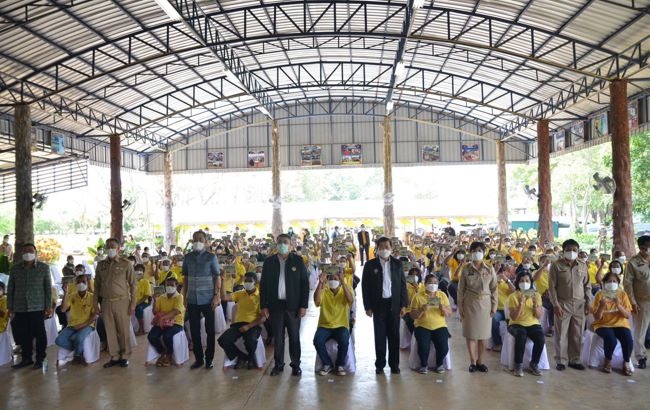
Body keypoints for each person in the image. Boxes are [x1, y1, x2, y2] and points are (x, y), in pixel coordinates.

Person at [260, 234, 309, 376]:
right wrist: (264, 305)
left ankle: (295, 365)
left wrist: (303, 305)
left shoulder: (298, 261)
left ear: (291, 245)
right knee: (278, 338)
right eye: (280, 242)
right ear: (276, 245)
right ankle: (278, 364)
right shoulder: (269, 262)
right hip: (275, 306)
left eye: (285, 242)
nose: (282, 244)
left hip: (293, 306)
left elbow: (305, 285)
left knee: (294, 337)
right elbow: (263, 285)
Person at [361, 237, 408, 375]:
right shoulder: (370, 265)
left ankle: (394, 365)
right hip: (378, 305)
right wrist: (367, 307)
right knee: (380, 337)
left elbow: (403, 285)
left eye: (386, 247)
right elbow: (365, 287)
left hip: (394, 304)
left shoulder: (398, 264)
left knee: (394, 337)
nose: (384, 249)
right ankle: (380, 365)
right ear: (377, 249)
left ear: (391, 248)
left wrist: (403, 305)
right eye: (381, 247)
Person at [7, 243, 52, 369]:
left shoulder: (43, 268)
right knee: (23, 334)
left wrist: (48, 306)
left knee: (40, 334)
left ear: (35, 253)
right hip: (20, 307)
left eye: (31, 251)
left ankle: (40, 358)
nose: (28, 253)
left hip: (37, 307)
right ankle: (26, 358)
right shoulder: (15, 269)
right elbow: (11, 288)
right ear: (21, 254)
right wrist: (10, 306)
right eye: (25, 251)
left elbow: (48, 288)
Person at [94, 238, 136, 368]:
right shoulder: (101, 265)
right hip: (106, 302)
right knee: (110, 330)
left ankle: (124, 355)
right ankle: (114, 356)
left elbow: (133, 285)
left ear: (118, 248)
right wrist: (95, 304)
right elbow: (96, 287)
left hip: (122, 301)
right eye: (108, 246)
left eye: (113, 246)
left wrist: (132, 304)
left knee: (123, 329)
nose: (110, 249)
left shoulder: (126, 263)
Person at [548, 239, 590, 371]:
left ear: (578, 251)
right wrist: (555, 304)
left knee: (577, 334)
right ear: (564, 251)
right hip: (562, 303)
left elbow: (587, 286)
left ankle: (575, 359)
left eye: (574, 250)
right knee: (561, 333)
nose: (571, 252)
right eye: (568, 250)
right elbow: (552, 287)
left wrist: (589, 302)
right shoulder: (556, 265)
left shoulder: (583, 265)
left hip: (579, 304)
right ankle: (561, 360)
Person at [181, 230, 221, 370]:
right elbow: (185, 278)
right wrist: (184, 296)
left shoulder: (211, 257)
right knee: (195, 330)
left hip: (208, 298)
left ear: (205, 241)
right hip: (192, 299)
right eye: (195, 239)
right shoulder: (187, 257)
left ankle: (209, 358)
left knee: (210, 330)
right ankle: (199, 359)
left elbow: (217, 276)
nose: (198, 241)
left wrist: (216, 295)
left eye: (200, 239)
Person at [457, 241, 497, 373]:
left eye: (480, 250)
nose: (477, 253)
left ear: (484, 252)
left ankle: (481, 361)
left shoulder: (490, 269)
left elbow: (494, 289)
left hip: (486, 304)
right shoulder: (466, 269)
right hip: (470, 303)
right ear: (470, 253)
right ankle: (472, 362)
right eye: (474, 250)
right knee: (471, 334)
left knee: (483, 335)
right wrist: (460, 307)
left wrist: (494, 306)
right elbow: (460, 290)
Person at [218, 272, 265, 369]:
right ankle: (241, 356)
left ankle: (251, 359)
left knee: (251, 341)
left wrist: (248, 326)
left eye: (250, 281)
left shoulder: (260, 297)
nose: (247, 283)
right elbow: (224, 297)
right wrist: (222, 281)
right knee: (223, 340)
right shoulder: (240, 293)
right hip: (238, 324)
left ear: (255, 282)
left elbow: (263, 318)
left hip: (253, 324)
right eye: (246, 280)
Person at [313, 270, 354, 376]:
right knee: (317, 340)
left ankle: (340, 364)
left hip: (341, 325)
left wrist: (343, 283)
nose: (333, 281)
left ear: (340, 281)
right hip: (325, 325)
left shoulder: (346, 289)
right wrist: (320, 283)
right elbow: (317, 301)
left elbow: (350, 300)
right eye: (331, 279)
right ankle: (327, 364)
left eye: (335, 279)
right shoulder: (324, 290)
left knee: (344, 340)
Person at [592, 272, 634, 376]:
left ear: (618, 283)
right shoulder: (600, 295)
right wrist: (602, 306)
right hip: (603, 324)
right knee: (611, 339)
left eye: (614, 281)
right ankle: (608, 360)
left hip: (620, 324)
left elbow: (627, 315)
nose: (611, 283)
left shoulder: (622, 294)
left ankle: (626, 362)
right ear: (604, 283)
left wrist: (618, 305)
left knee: (628, 339)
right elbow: (597, 317)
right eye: (609, 281)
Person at [410, 274, 451, 374]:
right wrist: (421, 310)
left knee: (443, 346)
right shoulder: (418, 296)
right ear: (425, 284)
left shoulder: (442, 295)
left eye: (435, 283)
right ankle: (424, 365)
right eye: (430, 282)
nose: (433, 285)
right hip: (422, 326)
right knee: (423, 345)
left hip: (440, 325)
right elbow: (413, 315)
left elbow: (449, 314)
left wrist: (444, 309)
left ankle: (439, 364)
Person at [507, 271, 545, 377]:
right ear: (517, 282)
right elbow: (514, 317)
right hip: (516, 324)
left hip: (532, 323)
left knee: (540, 337)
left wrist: (535, 305)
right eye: (522, 281)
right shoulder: (513, 296)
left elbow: (538, 316)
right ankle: (518, 365)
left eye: (527, 281)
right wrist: (520, 304)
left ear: (531, 282)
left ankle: (534, 364)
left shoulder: (536, 295)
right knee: (521, 335)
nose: (524, 283)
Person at [55, 273, 97, 364]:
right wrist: (66, 292)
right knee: (59, 340)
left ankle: (77, 356)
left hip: (87, 325)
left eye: (83, 282)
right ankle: (78, 349)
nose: (81, 284)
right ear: (75, 284)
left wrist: (83, 325)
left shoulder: (92, 297)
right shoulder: (72, 296)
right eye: (78, 282)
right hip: (72, 324)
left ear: (87, 283)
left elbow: (95, 315)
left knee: (78, 338)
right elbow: (63, 309)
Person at [623, 235, 650, 369]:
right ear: (641, 247)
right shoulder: (633, 263)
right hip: (642, 302)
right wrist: (632, 302)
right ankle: (641, 357)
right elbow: (627, 284)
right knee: (640, 331)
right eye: (647, 248)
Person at [148, 277, 185, 367]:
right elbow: (155, 312)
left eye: (172, 285)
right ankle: (162, 352)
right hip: (162, 322)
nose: (169, 287)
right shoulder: (161, 297)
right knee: (151, 336)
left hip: (176, 322)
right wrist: (154, 302)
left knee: (167, 336)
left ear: (176, 286)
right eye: (167, 285)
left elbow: (176, 311)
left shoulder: (179, 297)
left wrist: (163, 318)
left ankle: (169, 355)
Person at [492, 263, 515, 352]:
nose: (500, 274)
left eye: (503, 272)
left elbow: (513, 290)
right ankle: (498, 343)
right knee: (493, 320)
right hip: (496, 309)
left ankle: (511, 343)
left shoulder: (507, 282)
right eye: (498, 272)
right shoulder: (491, 282)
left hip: (508, 309)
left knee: (513, 322)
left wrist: (507, 280)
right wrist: (495, 279)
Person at [402, 267, 422, 335]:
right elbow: (407, 303)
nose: (414, 277)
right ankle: (414, 336)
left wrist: (417, 289)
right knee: (410, 320)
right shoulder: (405, 286)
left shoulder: (422, 286)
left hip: (420, 310)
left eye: (416, 275)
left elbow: (423, 301)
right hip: (408, 311)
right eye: (412, 275)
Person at [133, 264, 152, 335]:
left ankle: (141, 328)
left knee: (138, 309)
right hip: (132, 301)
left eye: (140, 270)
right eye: (137, 270)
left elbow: (147, 295)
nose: (138, 272)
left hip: (143, 302)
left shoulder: (146, 281)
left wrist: (137, 303)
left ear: (143, 272)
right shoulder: (132, 281)